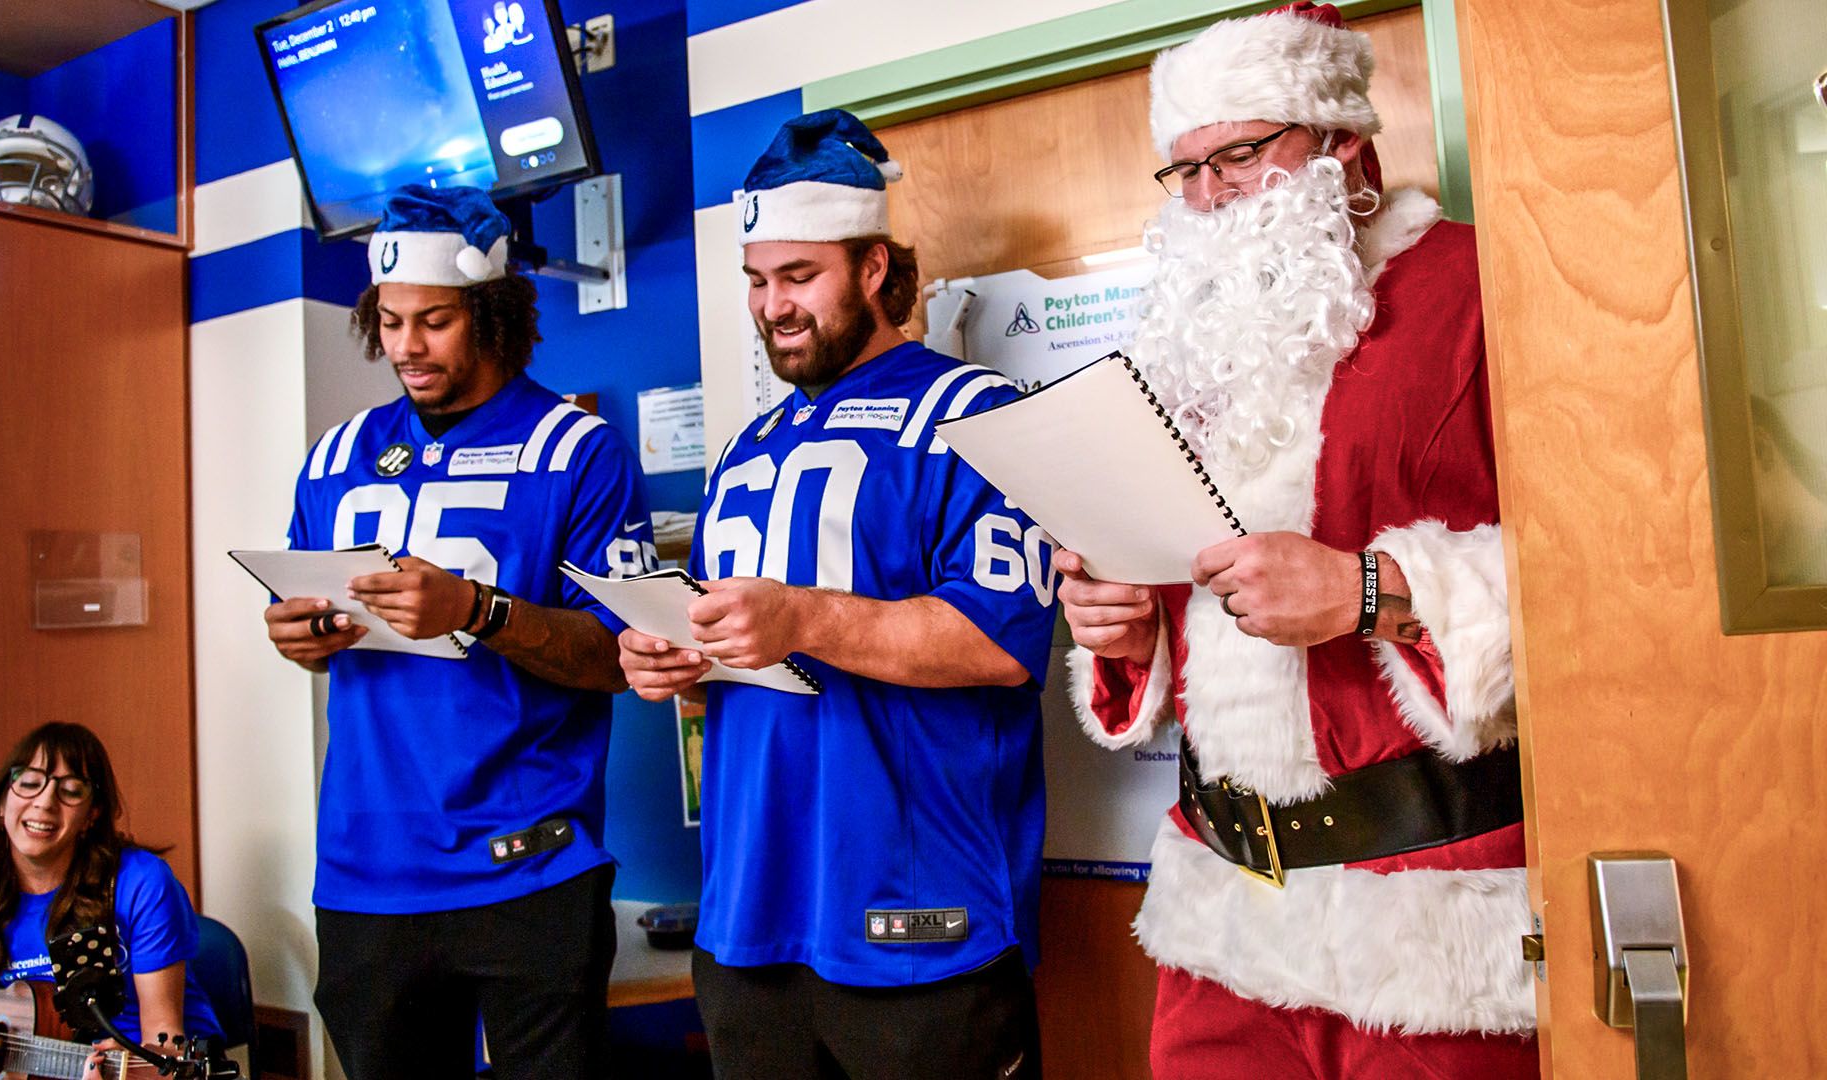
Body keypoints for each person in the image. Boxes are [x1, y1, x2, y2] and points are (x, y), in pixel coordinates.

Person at [1055, 5, 1536, 1077]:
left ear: (1342, 147)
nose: (1209, 194)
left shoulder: (1481, 287)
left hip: (1437, 927)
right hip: (1220, 924)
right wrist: (1125, 632)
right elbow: (1185, 600)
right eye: (1182, 171)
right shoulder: (1185, 346)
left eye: (1237, 154)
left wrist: (1374, 590)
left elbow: (1620, 569)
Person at [618, 110, 1058, 1080]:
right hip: (746, 922)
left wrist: (800, 616)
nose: (773, 306)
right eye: (757, 281)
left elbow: (1001, 643)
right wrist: (679, 662)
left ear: (871, 268)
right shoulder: (743, 451)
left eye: (799, 276)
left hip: (920, 924)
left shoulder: (976, 415)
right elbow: (739, 667)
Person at [264, 185, 653, 1079]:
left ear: (493, 313)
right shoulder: (336, 454)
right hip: (367, 866)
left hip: (527, 868)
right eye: (390, 321)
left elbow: (616, 659)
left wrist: (478, 610)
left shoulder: (577, 448)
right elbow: (311, 613)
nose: (405, 346)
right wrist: (298, 635)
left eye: (433, 321)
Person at [0, 723, 222, 1077]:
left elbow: (165, 1045)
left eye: (71, 791)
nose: (44, 802)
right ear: (1, 803)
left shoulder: (141, 883)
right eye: (28, 783)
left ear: (92, 815)